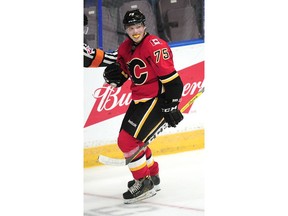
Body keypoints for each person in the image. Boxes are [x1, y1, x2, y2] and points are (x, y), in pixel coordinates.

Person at [103, 9, 184, 204]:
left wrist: (171, 105)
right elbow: (127, 70)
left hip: (156, 99)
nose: (136, 31)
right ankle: (152, 175)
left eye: (139, 26)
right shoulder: (124, 48)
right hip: (139, 99)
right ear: (126, 30)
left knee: (127, 142)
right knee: (135, 142)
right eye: (131, 28)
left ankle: (143, 182)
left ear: (145, 26)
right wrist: (117, 79)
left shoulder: (154, 46)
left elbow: (174, 81)